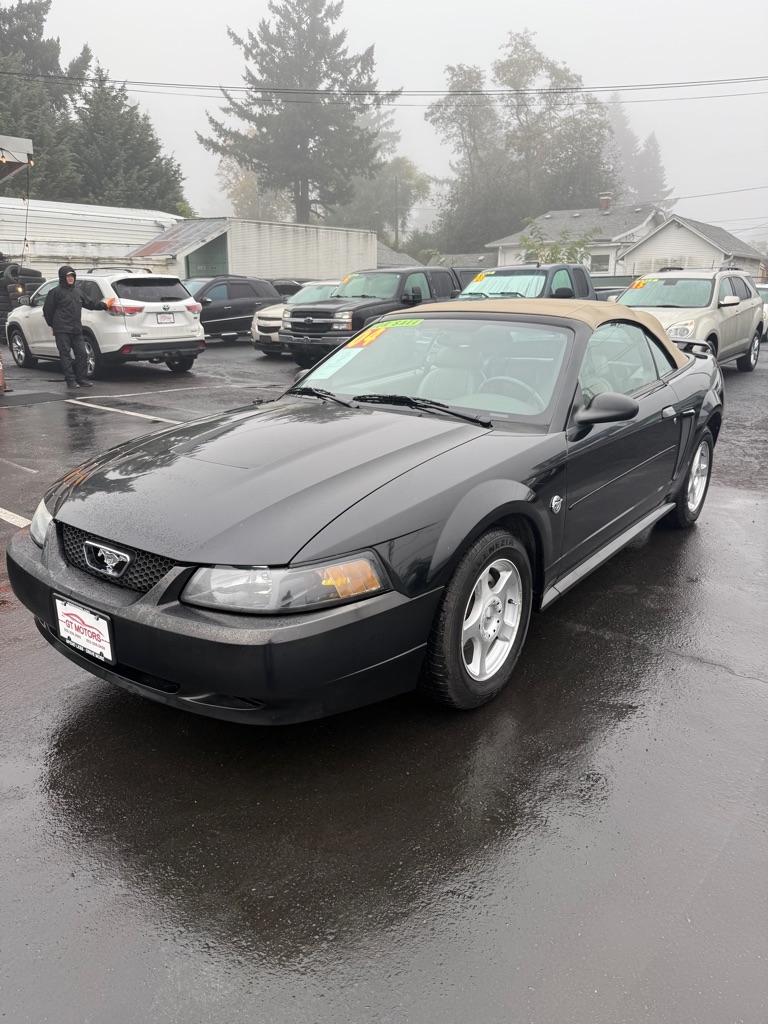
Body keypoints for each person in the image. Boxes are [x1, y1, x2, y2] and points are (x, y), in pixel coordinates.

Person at [43, 266, 110, 389]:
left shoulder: (77, 292)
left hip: (76, 329)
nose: (71, 278)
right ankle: (70, 381)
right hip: (62, 330)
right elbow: (47, 311)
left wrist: (105, 305)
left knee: (82, 354)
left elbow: (90, 303)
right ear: (63, 277)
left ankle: (81, 378)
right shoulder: (55, 292)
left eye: (72, 276)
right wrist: (52, 325)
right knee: (66, 356)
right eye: (68, 276)